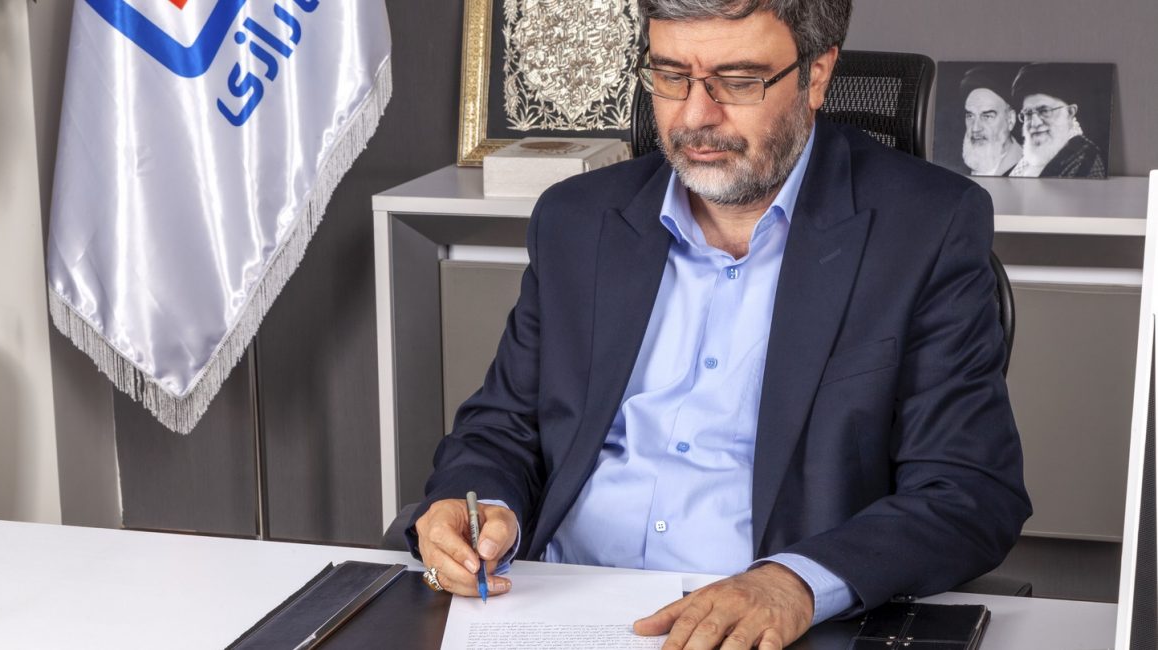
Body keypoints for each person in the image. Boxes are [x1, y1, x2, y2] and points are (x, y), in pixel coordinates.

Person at [408, 1, 1031, 648]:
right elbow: (503, 426)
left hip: (761, 626)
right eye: (671, 75)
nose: (695, 116)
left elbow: (968, 491)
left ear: (817, 75)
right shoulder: (578, 218)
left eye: (737, 81)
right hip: (545, 606)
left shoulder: (924, 227)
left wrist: (793, 583)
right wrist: (475, 505)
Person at [1008, 63, 1107, 178]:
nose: (1034, 123)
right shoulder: (1026, 161)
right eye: (1028, 114)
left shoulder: (1086, 162)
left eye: (1044, 111)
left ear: (1070, 112)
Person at [959, 66, 1022, 176]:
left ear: (1010, 120)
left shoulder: (1027, 167)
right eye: (970, 116)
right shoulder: (959, 167)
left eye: (987, 116)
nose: (975, 128)